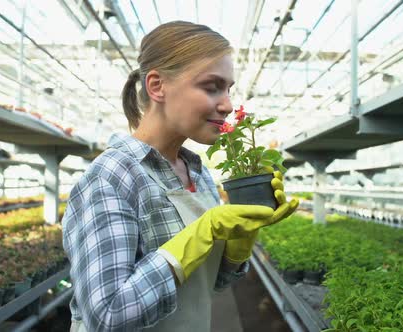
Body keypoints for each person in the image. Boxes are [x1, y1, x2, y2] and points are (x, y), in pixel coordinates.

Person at [62, 21, 299, 332]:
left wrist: (238, 247)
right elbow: (107, 317)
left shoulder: (198, 176)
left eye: (228, 88)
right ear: (157, 86)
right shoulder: (111, 177)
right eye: (211, 86)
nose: (227, 104)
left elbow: (207, 286)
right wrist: (199, 235)